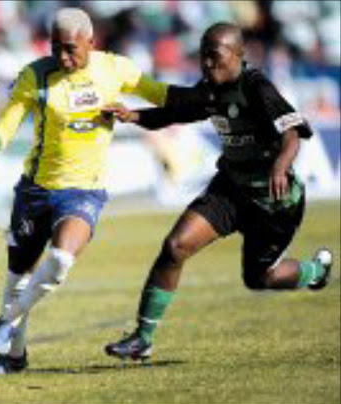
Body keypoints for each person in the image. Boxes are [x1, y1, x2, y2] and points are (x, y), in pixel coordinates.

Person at [0, 7, 168, 374]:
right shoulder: (35, 75)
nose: (63, 57)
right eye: (56, 48)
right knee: (16, 279)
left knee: (61, 260)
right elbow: (9, 121)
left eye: (70, 49)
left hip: (83, 191)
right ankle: (13, 357)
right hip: (34, 192)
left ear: (91, 42)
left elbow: (161, 93)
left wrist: (207, 99)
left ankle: (6, 320)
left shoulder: (115, 69)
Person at [102, 22, 334, 361]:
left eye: (215, 56)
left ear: (239, 56)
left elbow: (293, 133)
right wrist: (133, 114)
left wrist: (281, 165)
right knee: (175, 247)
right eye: (203, 57)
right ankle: (142, 338)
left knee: (259, 278)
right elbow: (173, 113)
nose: (207, 64)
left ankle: (316, 271)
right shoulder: (211, 90)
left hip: (273, 202)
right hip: (230, 190)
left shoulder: (257, 87)